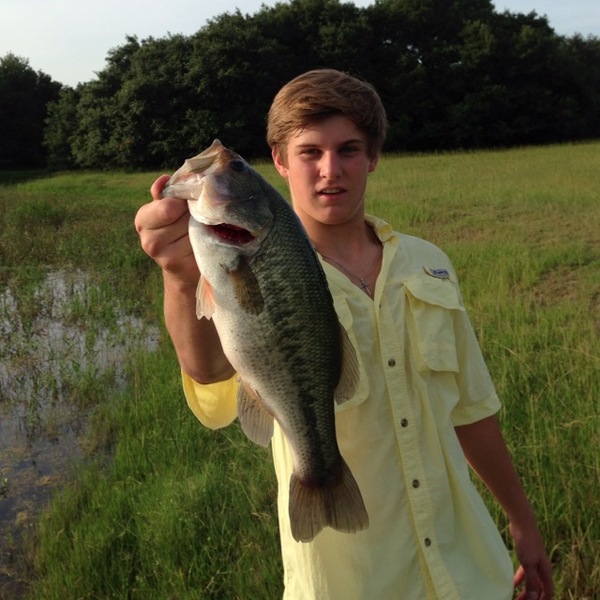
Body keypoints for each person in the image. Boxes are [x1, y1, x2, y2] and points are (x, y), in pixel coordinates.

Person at [135, 68, 553, 600]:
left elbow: (472, 410)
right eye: (310, 152)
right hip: (352, 581)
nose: (330, 170)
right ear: (280, 161)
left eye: (349, 150)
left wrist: (522, 520)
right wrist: (179, 278)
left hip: (468, 569)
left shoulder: (429, 264)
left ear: (373, 157)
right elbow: (210, 370)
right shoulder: (232, 262)